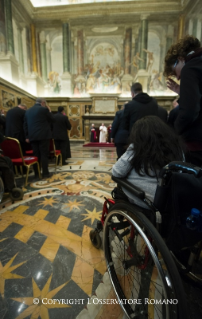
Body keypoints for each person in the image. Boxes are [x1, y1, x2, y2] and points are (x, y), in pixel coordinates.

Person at [112, 116, 184, 208]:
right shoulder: (176, 148)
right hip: (172, 199)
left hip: (148, 199)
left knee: (119, 186)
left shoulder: (137, 147)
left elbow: (117, 172)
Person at [164, 35, 202, 166]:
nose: (178, 77)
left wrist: (173, 134)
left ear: (180, 59)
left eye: (175, 73)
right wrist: (183, 92)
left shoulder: (190, 68)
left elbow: (189, 112)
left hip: (196, 144)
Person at [24, 98, 55, 178]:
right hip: (43, 135)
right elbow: (53, 119)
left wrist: (27, 136)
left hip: (32, 136)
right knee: (44, 154)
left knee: (36, 155)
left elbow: (25, 125)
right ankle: (45, 173)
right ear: (43, 102)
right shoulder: (44, 109)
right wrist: (50, 111)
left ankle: (37, 173)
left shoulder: (28, 111)